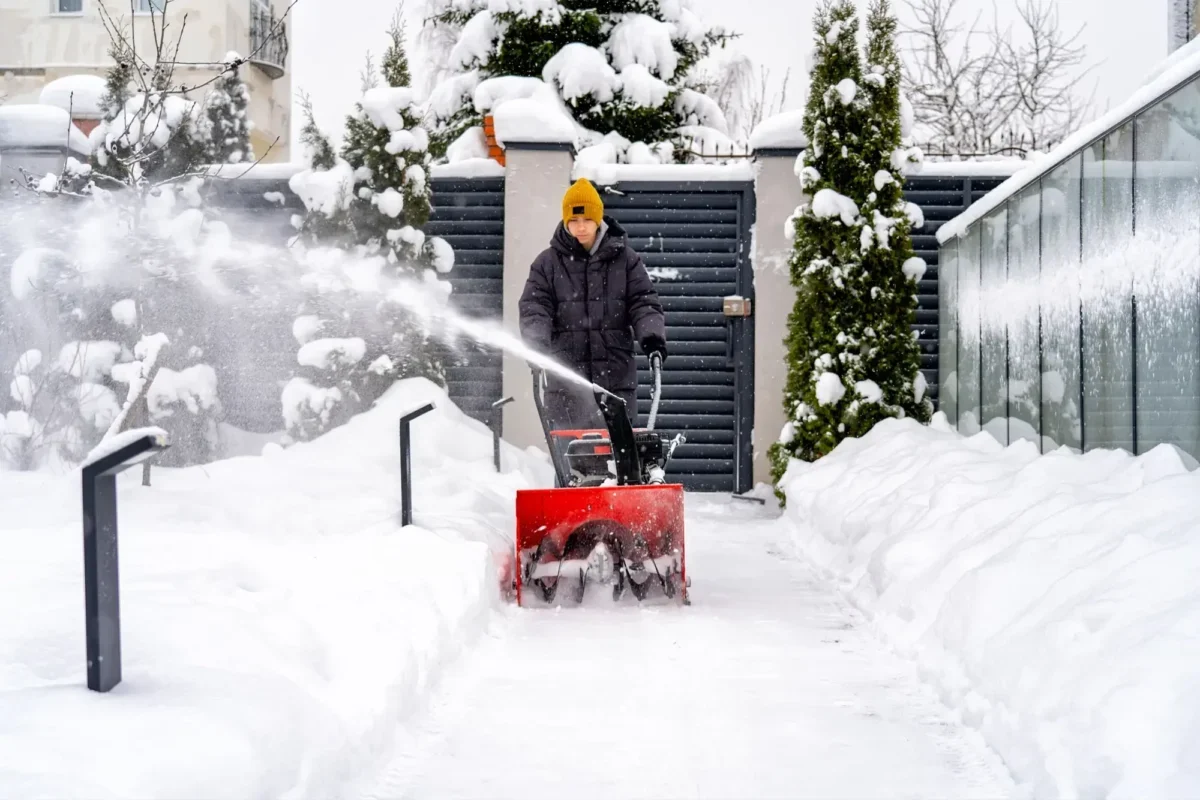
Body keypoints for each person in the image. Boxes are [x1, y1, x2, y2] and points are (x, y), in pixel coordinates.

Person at [519, 177, 667, 430]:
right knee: (572, 463)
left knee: (622, 462)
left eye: (587, 219)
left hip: (615, 381)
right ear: (565, 221)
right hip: (567, 384)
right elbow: (535, 308)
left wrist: (652, 338)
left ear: (598, 219)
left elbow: (643, 303)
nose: (581, 227)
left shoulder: (626, 260)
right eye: (573, 220)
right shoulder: (547, 264)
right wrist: (536, 343)